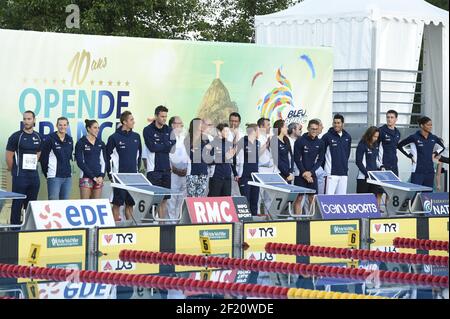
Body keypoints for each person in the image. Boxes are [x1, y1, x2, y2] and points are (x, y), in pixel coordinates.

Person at [6, 111, 42, 225]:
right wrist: (14, 170)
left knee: (31, 204)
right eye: (25, 119)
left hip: (34, 176)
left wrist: (34, 163)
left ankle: (28, 227)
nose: (26, 121)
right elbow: (8, 156)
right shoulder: (16, 136)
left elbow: (39, 152)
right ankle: (15, 228)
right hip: (20, 176)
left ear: (34, 120)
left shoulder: (38, 136)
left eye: (29, 119)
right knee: (17, 204)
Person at [107, 111, 142, 221]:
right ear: (124, 122)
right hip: (119, 177)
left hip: (132, 177)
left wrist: (136, 172)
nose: (133, 122)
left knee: (130, 204)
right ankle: (113, 229)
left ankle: (130, 228)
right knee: (117, 204)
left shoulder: (136, 136)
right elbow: (107, 158)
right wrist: (111, 175)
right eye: (131, 120)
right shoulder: (114, 138)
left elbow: (138, 156)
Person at [142, 106, 176, 219]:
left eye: (166, 116)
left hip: (166, 169)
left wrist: (160, 146)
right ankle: (150, 223)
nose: (164, 119)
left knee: (165, 199)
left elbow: (171, 147)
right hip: (154, 170)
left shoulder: (169, 130)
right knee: (154, 199)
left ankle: (162, 224)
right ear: (156, 116)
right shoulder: (147, 130)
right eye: (162, 116)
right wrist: (165, 145)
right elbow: (152, 147)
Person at [398, 117, 445, 188]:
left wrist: (435, 153)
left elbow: (442, 147)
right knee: (415, 194)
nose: (430, 127)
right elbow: (400, 145)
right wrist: (410, 156)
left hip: (430, 171)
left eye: (431, 125)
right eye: (428, 125)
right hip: (417, 171)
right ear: (422, 125)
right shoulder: (414, 137)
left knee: (427, 196)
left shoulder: (433, 137)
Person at [293, 119, 325, 215]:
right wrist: (304, 173)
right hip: (300, 174)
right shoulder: (300, 141)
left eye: (316, 129)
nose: (314, 131)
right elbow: (297, 159)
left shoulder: (320, 143)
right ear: (308, 129)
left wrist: (310, 173)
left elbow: (320, 160)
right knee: (299, 198)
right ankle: (297, 220)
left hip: (312, 174)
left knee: (312, 198)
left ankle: (311, 219)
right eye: (312, 129)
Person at [40, 117, 74, 200]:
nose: (62, 127)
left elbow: (69, 157)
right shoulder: (50, 139)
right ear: (56, 125)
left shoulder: (70, 139)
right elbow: (43, 158)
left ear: (67, 126)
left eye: (65, 125)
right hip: (54, 176)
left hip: (67, 176)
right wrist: (47, 173)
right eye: (60, 125)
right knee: (53, 203)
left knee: (64, 203)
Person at [74, 119, 107, 199]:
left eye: (98, 128)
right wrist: (93, 177)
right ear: (88, 128)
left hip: (98, 178)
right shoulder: (81, 143)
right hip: (86, 177)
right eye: (95, 128)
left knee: (96, 205)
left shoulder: (100, 143)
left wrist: (101, 176)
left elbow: (104, 161)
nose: (97, 130)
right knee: (85, 205)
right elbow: (80, 163)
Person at [322, 114, 352, 195]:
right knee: (328, 198)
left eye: (338, 123)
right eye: (334, 123)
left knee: (341, 199)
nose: (336, 125)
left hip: (343, 173)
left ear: (343, 124)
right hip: (330, 173)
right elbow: (321, 155)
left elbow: (347, 154)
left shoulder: (347, 137)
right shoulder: (327, 136)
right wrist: (325, 168)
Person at [166, 116, 189, 219]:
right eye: (179, 123)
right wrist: (174, 169)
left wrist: (187, 170)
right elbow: (166, 155)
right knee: (172, 199)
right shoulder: (168, 137)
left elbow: (189, 155)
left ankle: (179, 222)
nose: (182, 126)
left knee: (181, 200)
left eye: (182, 124)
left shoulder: (185, 138)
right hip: (173, 173)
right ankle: (170, 224)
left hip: (185, 174)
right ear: (173, 125)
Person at [355, 126, 384, 206]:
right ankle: (360, 218)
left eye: (377, 137)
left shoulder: (376, 144)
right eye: (374, 136)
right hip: (363, 178)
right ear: (369, 135)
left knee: (372, 201)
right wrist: (367, 174)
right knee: (362, 201)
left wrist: (381, 166)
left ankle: (371, 217)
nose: (376, 138)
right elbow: (358, 162)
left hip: (374, 177)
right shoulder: (362, 144)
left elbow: (376, 160)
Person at [236, 124, 260, 216]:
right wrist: (237, 173)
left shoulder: (257, 142)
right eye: (258, 130)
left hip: (255, 176)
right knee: (246, 201)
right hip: (245, 176)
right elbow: (235, 157)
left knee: (255, 201)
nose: (259, 133)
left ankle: (254, 221)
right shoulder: (242, 141)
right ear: (254, 131)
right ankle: (245, 222)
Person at [184, 118, 210, 197]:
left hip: (203, 172)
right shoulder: (188, 140)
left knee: (200, 199)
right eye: (200, 124)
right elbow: (192, 156)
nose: (202, 126)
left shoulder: (205, 139)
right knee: (191, 198)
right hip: (192, 173)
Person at [208, 123, 236, 197]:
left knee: (226, 201)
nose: (227, 133)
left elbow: (232, 161)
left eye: (228, 131)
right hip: (216, 177)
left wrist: (235, 173)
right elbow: (209, 161)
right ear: (219, 132)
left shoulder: (230, 144)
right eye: (225, 131)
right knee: (214, 202)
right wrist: (225, 158)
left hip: (227, 177)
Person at [257, 117, 273, 214]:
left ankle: (269, 216)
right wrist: (267, 144)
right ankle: (257, 216)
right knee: (259, 196)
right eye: (268, 125)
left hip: (270, 170)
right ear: (262, 126)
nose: (269, 127)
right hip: (261, 170)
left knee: (269, 196)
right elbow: (256, 154)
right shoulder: (257, 137)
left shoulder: (269, 137)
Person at [378, 110, 401, 176]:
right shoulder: (381, 131)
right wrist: (379, 164)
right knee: (383, 186)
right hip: (383, 164)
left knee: (395, 185)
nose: (389, 119)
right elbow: (375, 147)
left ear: (396, 119)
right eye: (388, 117)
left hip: (394, 164)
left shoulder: (397, 132)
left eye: (391, 117)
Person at [228, 112, 244, 197]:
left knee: (238, 193)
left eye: (236, 121)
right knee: (228, 192)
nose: (233, 123)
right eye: (231, 121)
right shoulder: (225, 133)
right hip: (228, 167)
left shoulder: (243, 134)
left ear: (239, 122)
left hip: (239, 167)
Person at [313, 118, 326, 194]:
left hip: (319, 169)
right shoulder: (304, 139)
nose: (323, 127)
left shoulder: (320, 141)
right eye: (321, 125)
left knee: (319, 195)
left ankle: (318, 205)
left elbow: (321, 158)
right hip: (309, 170)